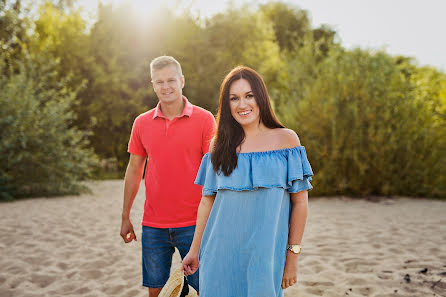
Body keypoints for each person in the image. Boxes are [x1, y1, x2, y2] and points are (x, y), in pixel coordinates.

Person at [181, 66, 313, 297]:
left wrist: (292, 258)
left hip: (265, 256)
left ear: (261, 97)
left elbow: (300, 203)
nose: (242, 105)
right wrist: (194, 250)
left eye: (249, 96)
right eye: (234, 98)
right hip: (219, 254)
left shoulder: (286, 141)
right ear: (227, 104)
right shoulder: (218, 146)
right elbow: (207, 202)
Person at [120, 56, 216, 297]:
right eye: (159, 81)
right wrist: (125, 216)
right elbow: (134, 171)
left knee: (203, 290)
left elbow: (215, 173)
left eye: (171, 80)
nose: (166, 87)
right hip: (153, 226)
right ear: (153, 85)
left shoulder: (205, 120)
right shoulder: (141, 123)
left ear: (181, 81)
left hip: (195, 225)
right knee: (158, 292)